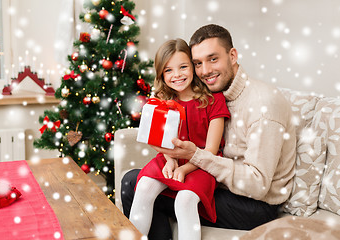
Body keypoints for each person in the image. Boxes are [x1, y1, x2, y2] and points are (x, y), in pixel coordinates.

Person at [121, 24, 296, 240]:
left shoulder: (263, 105)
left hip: (253, 204)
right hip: (215, 181)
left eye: (213, 59)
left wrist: (193, 159)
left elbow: (257, 186)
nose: (205, 71)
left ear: (232, 55)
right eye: (198, 63)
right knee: (138, 181)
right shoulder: (215, 92)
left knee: (135, 184)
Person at [129, 38, 230, 240]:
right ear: (161, 74)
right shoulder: (162, 102)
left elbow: (210, 152)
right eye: (168, 70)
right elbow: (159, 141)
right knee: (144, 187)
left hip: (202, 164)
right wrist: (170, 160)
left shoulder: (213, 100)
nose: (177, 75)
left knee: (184, 201)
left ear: (193, 67)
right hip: (171, 158)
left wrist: (184, 168)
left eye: (183, 67)